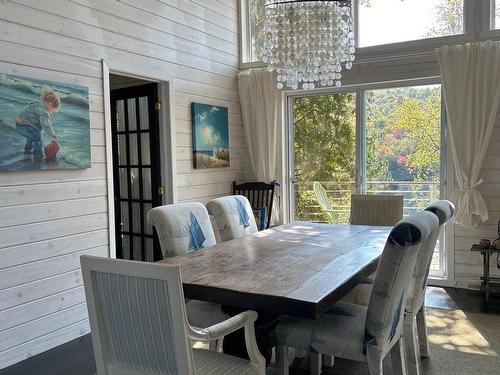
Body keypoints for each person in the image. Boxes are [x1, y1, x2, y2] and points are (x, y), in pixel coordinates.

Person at [16, 89, 60, 161]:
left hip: (19, 124)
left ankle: (28, 150)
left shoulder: (36, 103)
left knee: (31, 135)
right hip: (26, 126)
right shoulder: (44, 113)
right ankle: (38, 154)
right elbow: (46, 125)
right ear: (49, 104)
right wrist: (53, 134)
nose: (51, 113)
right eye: (53, 111)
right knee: (38, 137)